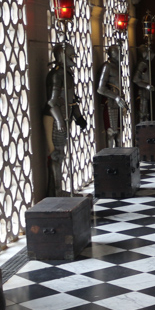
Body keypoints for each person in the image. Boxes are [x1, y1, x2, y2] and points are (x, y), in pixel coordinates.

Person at [44, 43, 87, 196]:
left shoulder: (66, 73)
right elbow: (52, 101)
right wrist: (60, 120)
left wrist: (78, 116)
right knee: (57, 155)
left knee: (61, 154)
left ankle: (56, 190)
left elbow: (70, 99)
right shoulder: (56, 75)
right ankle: (56, 191)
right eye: (70, 54)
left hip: (64, 116)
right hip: (56, 118)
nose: (73, 58)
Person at [97, 44, 127, 147]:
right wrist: (116, 97)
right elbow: (101, 88)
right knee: (111, 133)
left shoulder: (117, 66)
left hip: (118, 102)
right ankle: (110, 157)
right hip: (110, 102)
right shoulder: (107, 66)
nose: (121, 55)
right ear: (114, 54)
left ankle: (120, 157)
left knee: (119, 134)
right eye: (119, 52)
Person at [132, 43, 155, 124]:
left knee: (145, 112)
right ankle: (142, 129)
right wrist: (147, 86)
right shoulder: (142, 64)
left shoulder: (145, 63)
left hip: (145, 91)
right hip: (142, 91)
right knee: (142, 112)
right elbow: (135, 79)